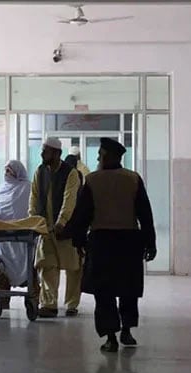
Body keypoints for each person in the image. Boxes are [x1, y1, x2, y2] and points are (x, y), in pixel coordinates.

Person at [59, 137, 156, 353]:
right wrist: (150, 243)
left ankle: (111, 338)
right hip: (129, 242)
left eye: (100, 155)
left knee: (104, 292)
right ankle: (127, 330)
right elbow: (145, 214)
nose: (98, 159)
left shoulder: (93, 180)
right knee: (128, 289)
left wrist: (78, 240)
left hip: (102, 242)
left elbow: (82, 215)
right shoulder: (133, 179)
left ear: (107, 156)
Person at [29, 137, 82, 318]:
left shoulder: (71, 173)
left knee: (73, 267)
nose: (42, 154)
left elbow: (69, 199)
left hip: (66, 228)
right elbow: (34, 196)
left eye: (46, 151)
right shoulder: (40, 171)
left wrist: (62, 221)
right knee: (47, 265)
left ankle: (71, 304)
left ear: (57, 153)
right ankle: (49, 304)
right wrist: (33, 219)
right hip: (45, 228)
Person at [0, 160, 32, 309]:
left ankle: (32, 298)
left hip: (21, 238)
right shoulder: (1, 190)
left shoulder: (26, 188)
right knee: (1, 268)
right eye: (5, 171)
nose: (6, 174)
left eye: (9, 171)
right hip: (3, 240)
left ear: (17, 173)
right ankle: (2, 300)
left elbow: (27, 210)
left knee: (29, 268)